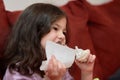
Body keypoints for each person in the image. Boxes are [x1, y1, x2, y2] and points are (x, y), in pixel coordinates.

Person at [0, 3, 96, 80]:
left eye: (64, 32)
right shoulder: (17, 73)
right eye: (55, 28)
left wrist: (87, 72)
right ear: (34, 32)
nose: (62, 36)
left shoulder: (59, 67)